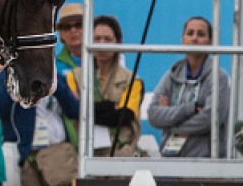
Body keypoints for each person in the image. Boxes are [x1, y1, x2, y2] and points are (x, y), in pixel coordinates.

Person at [147, 17, 230, 157]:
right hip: (171, 159)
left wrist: (170, 124)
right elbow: (153, 114)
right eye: (190, 33)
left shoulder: (218, 76)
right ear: (183, 39)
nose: (195, 38)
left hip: (206, 161)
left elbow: (211, 118)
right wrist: (190, 109)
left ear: (210, 42)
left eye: (201, 34)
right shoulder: (172, 74)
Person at [67, 15, 143, 157]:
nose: (101, 44)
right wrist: (109, 105)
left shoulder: (132, 80)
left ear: (118, 42)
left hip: (120, 151)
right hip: (83, 152)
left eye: (107, 39)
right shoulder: (74, 77)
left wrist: (88, 109)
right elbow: (74, 110)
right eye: (97, 39)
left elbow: (124, 115)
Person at [0, 69, 80, 186]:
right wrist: (16, 81)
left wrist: (54, 83)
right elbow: (0, 109)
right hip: (26, 154)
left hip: (57, 152)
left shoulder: (56, 77)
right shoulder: (5, 76)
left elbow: (74, 110)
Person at [56, 3, 84, 75]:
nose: (73, 30)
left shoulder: (103, 61)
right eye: (67, 27)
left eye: (79, 25)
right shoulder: (53, 66)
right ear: (61, 34)